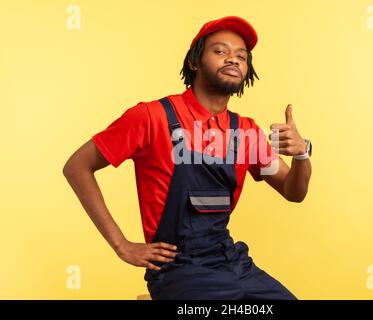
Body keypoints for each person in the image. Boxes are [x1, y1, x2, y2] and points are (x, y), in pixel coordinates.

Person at [63, 15, 312, 300]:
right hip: (179, 270)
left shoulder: (246, 132)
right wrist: (122, 245)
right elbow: (77, 166)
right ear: (194, 62)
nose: (233, 59)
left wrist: (302, 153)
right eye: (220, 51)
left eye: (241, 56)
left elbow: (294, 192)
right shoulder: (151, 117)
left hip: (232, 262)